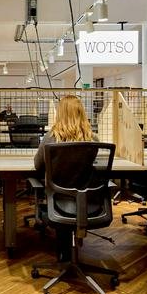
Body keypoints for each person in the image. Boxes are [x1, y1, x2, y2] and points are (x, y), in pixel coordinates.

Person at [34, 95, 99, 261]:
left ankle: (65, 252)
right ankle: (75, 239)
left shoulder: (50, 138)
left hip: (58, 200)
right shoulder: (93, 139)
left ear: (60, 113)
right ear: (81, 113)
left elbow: (38, 165)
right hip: (86, 200)